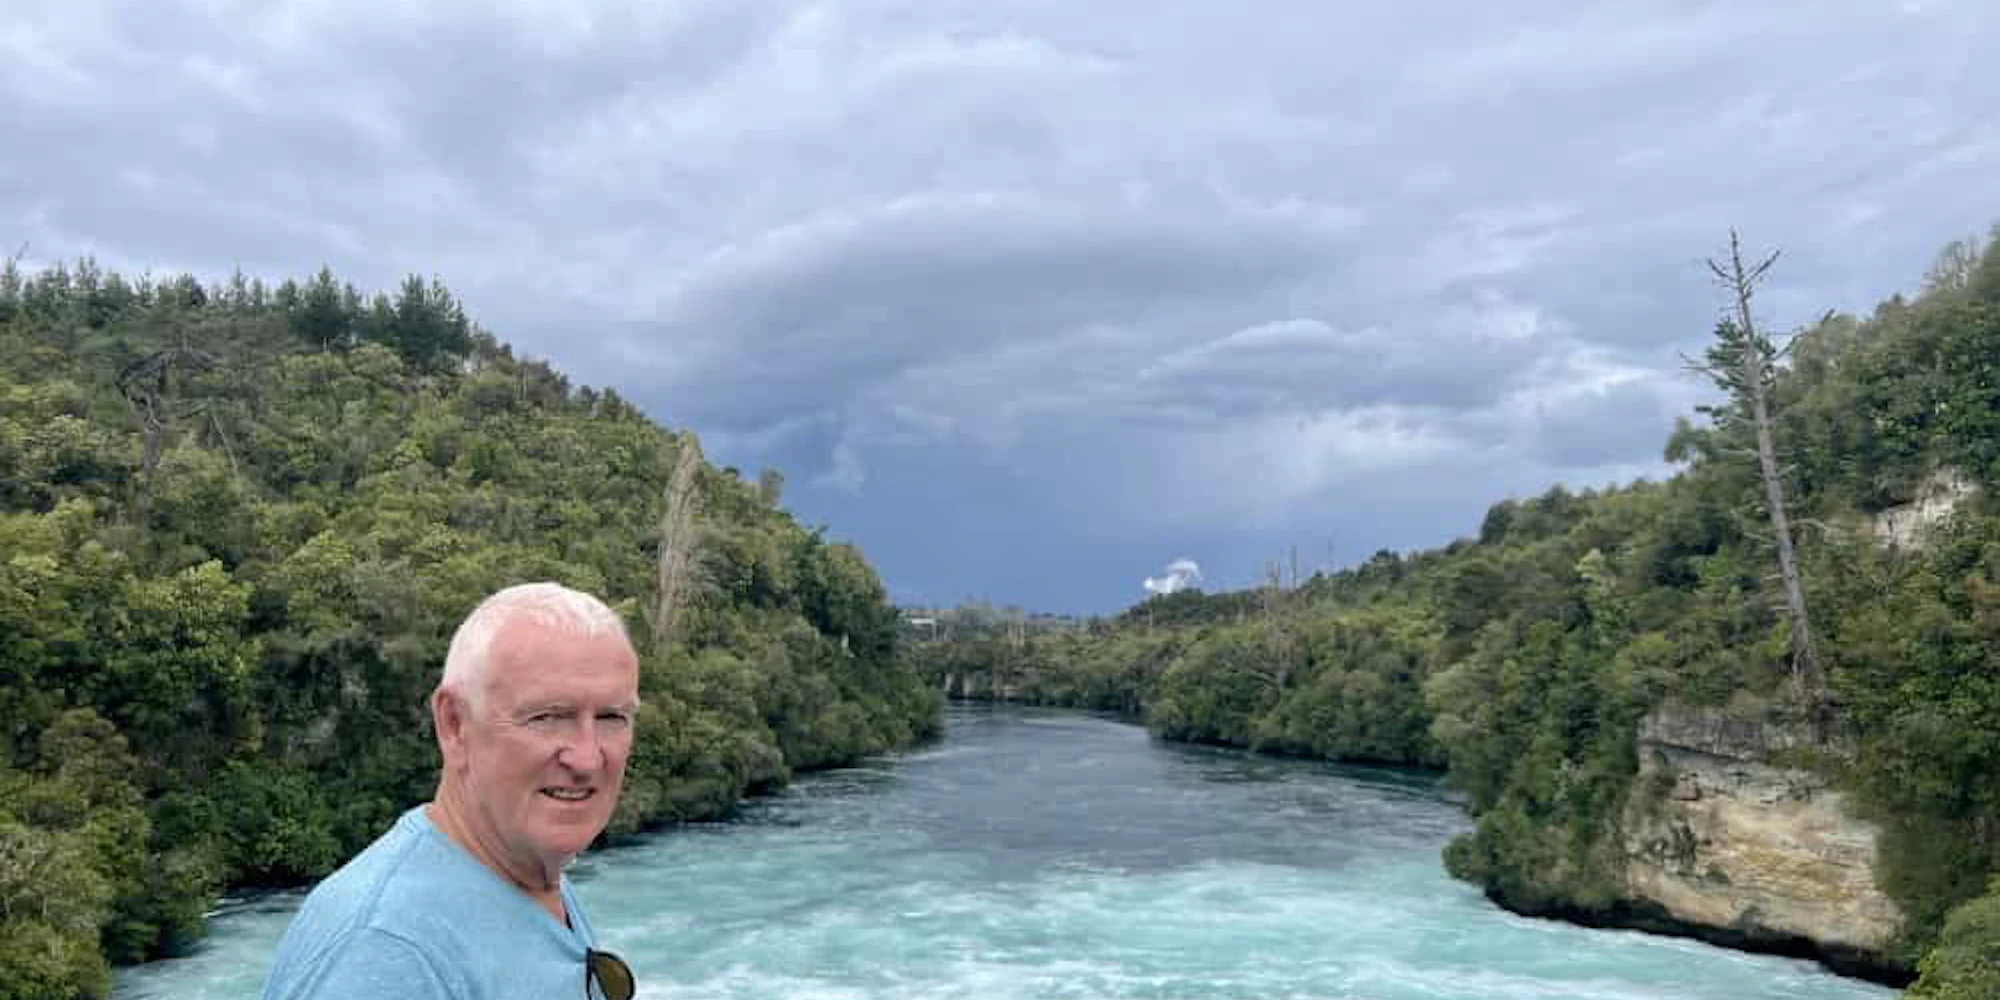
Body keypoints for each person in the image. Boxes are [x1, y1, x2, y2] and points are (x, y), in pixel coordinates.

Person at [259, 582, 642, 1000]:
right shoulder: (383, 953)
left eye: (611, 717)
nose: (587, 759)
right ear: (455, 724)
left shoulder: (531, 872)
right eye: (547, 717)